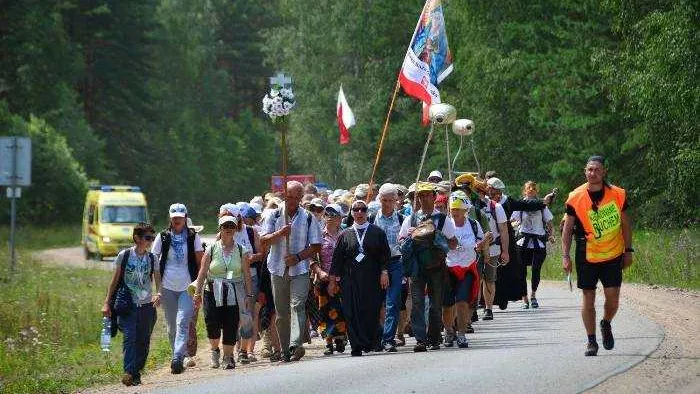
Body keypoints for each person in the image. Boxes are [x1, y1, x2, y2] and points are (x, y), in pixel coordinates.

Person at [562, 156, 633, 356]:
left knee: (613, 299)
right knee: (588, 297)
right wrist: (565, 256)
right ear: (585, 171)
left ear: (604, 172)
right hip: (586, 253)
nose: (592, 173)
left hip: (613, 253)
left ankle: (606, 323)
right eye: (589, 169)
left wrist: (629, 250)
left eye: (597, 170)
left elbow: (626, 224)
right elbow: (567, 229)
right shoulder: (575, 197)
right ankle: (591, 341)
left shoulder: (618, 194)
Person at [260, 181, 322, 362]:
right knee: (281, 313)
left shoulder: (309, 217)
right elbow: (263, 241)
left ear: (301, 198)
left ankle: (296, 343)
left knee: (297, 305)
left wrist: (298, 257)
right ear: (284, 195)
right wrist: (279, 233)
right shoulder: (273, 215)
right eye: (290, 196)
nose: (293, 200)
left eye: (297, 197)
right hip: (277, 269)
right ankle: (285, 348)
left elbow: (316, 245)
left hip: (300, 269)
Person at [399, 182, 458, 352]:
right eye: (421, 195)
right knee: (417, 302)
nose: (424, 198)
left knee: (435, 304)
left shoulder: (443, 219)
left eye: (427, 195)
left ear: (434, 197)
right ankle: (420, 340)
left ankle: (434, 337)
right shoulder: (410, 218)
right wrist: (411, 236)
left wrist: (438, 237)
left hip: (437, 266)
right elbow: (401, 240)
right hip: (417, 266)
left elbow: (453, 243)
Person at [329, 200, 390, 356]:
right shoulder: (345, 234)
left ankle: (371, 342)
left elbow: (385, 256)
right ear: (351, 213)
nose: (359, 212)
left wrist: (384, 272)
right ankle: (356, 345)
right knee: (351, 311)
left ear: (367, 211)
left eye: (363, 209)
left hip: (372, 279)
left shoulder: (378, 232)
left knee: (370, 310)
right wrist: (332, 281)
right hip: (349, 279)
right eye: (356, 209)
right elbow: (337, 260)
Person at [481, 177, 552, 310]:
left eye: (493, 189)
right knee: (487, 271)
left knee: (508, 269)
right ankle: (486, 303)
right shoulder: (483, 202)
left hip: (506, 237)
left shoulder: (507, 201)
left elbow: (525, 205)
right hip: (488, 237)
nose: (491, 192)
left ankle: (504, 298)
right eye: (489, 189)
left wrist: (542, 202)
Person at [102, 222, 159, 386]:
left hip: (147, 306)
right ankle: (129, 372)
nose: (150, 241)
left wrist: (159, 293)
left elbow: (157, 278)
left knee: (143, 341)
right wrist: (107, 302)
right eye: (147, 237)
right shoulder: (124, 255)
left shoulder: (152, 258)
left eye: (152, 238)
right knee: (129, 338)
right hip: (128, 305)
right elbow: (114, 281)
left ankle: (136, 371)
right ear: (137, 238)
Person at [192, 215, 253, 369]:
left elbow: (246, 274)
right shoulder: (211, 248)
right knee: (212, 323)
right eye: (225, 226)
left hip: (233, 291)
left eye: (232, 226)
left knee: (230, 324)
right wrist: (197, 293)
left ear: (235, 229)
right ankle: (214, 350)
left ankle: (228, 357)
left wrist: (249, 294)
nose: (228, 229)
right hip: (212, 290)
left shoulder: (241, 250)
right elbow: (203, 271)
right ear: (220, 228)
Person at [151, 203, 204, 374]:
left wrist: (198, 287)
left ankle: (177, 358)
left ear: (185, 217)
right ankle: (177, 354)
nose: (177, 220)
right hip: (167, 287)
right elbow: (154, 261)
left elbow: (199, 262)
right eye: (174, 217)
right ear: (170, 218)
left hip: (187, 287)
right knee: (171, 326)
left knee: (183, 322)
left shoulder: (192, 236)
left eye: (180, 217)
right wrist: (157, 288)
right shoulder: (163, 237)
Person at [442, 193, 484, 348]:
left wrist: (481, 245)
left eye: (459, 208)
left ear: (465, 209)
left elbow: (480, 240)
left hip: (467, 268)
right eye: (453, 208)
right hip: (448, 267)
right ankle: (448, 331)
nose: (455, 211)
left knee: (462, 301)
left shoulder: (473, 224)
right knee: (447, 304)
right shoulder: (446, 224)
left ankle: (461, 334)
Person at [310, 203, 348, 355]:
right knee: (324, 311)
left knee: (340, 310)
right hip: (323, 279)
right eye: (327, 214)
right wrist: (319, 272)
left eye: (334, 215)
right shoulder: (318, 235)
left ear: (340, 218)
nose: (330, 218)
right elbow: (311, 258)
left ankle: (340, 338)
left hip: (342, 279)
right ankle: (328, 342)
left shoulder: (346, 234)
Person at [371, 183, 405, 353]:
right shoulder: (371, 218)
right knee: (376, 303)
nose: (387, 203)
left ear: (396, 200)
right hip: (375, 265)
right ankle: (375, 337)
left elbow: (405, 242)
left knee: (392, 302)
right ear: (379, 199)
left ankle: (388, 339)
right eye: (384, 200)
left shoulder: (401, 219)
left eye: (391, 200)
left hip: (396, 263)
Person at [511, 181, 554, 309]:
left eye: (534, 188)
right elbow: (512, 220)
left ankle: (533, 296)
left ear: (536, 191)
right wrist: (513, 225)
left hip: (538, 242)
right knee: (521, 272)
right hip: (522, 241)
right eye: (529, 188)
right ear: (524, 190)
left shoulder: (542, 205)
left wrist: (551, 235)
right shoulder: (520, 205)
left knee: (536, 270)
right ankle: (525, 299)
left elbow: (549, 222)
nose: (531, 190)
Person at [184, 217, 204, 368]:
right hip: (176, 287)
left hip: (193, 286)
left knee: (191, 319)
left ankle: (189, 353)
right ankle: (183, 352)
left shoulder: (200, 248)